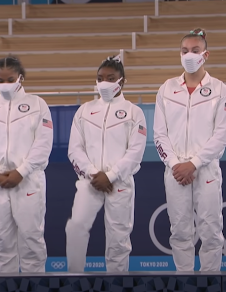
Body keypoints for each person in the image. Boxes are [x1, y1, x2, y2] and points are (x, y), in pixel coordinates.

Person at [153, 28, 226, 272]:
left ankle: (210, 279)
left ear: (205, 55)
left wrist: (195, 163)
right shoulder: (166, 89)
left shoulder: (220, 90)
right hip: (175, 170)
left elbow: (221, 136)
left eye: (195, 51)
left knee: (211, 231)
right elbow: (160, 134)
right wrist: (175, 164)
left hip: (206, 169)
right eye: (184, 51)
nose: (189, 55)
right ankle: (184, 279)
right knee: (179, 231)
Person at [0, 56, 53, 273]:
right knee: (1, 241)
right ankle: (5, 284)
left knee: (31, 238)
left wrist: (21, 171)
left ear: (20, 79)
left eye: (10, 79)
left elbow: (43, 145)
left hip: (28, 181)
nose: (5, 84)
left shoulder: (38, 105)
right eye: (0, 80)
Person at [65, 55, 147, 272]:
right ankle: (74, 277)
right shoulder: (84, 111)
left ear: (122, 81)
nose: (104, 83)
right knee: (75, 227)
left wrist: (111, 175)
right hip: (89, 182)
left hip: (119, 183)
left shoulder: (133, 112)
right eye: (100, 78)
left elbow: (135, 152)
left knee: (118, 238)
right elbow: (74, 149)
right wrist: (93, 174)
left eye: (111, 78)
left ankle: (117, 280)